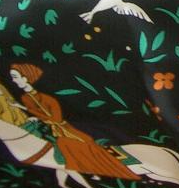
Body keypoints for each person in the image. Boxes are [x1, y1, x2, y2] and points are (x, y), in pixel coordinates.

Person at [8, 63, 139, 181]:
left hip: (63, 129)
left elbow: (56, 118)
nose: (13, 80)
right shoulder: (25, 98)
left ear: (26, 78)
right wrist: (28, 112)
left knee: (75, 144)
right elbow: (36, 112)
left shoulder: (46, 98)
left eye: (15, 77)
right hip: (45, 128)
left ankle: (95, 168)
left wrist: (32, 114)